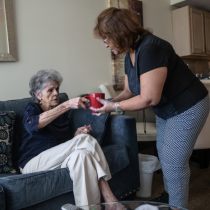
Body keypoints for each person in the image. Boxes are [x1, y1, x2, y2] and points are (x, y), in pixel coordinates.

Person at [91, 7, 210, 208]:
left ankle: (176, 206)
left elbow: (148, 99)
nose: (106, 44)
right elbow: (129, 90)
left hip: (188, 106)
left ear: (120, 32)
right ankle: (169, 197)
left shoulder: (151, 48)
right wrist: (108, 103)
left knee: (174, 163)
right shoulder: (130, 53)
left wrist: (113, 106)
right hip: (166, 109)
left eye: (106, 39)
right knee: (164, 156)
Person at [18, 69, 119, 208]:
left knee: (82, 156)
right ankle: (109, 198)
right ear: (38, 94)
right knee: (86, 140)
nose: (56, 93)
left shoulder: (61, 116)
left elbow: (61, 146)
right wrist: (66, 105)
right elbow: (34, 125)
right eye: (50, 90)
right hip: (32, 162)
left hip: (56, 160)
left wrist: (75, 136)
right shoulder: (32, 108)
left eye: (57, 89)